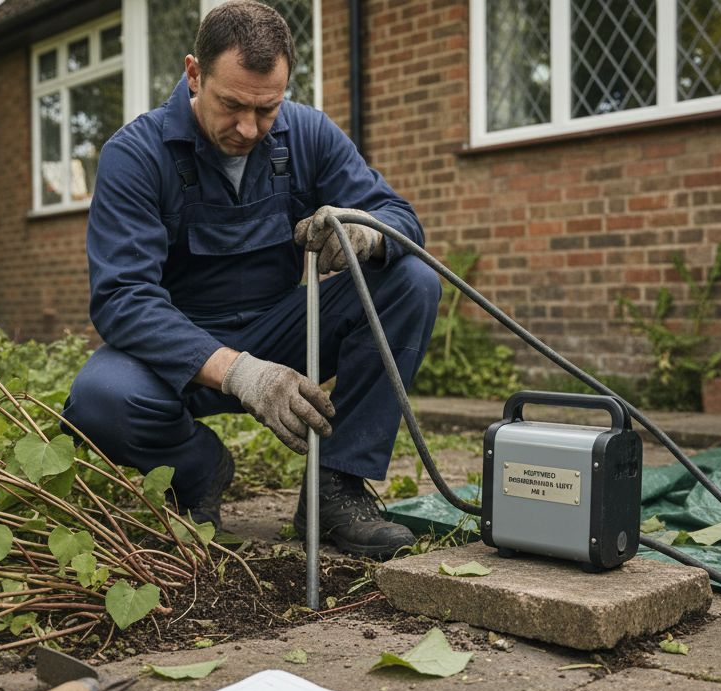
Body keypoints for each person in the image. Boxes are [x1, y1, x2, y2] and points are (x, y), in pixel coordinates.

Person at [63, 1, 440, 560]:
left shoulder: (308, 134)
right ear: (194, 73)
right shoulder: (135, 155)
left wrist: (368, 235)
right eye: (232, 105)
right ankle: (197, 470)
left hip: (282, 333)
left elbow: (402, 220)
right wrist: (240, 373)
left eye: (266, 109)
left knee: (412, 278)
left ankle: (334, 488)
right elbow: (123, 299)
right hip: (179, 352)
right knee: (98, 401)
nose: (248, 128)